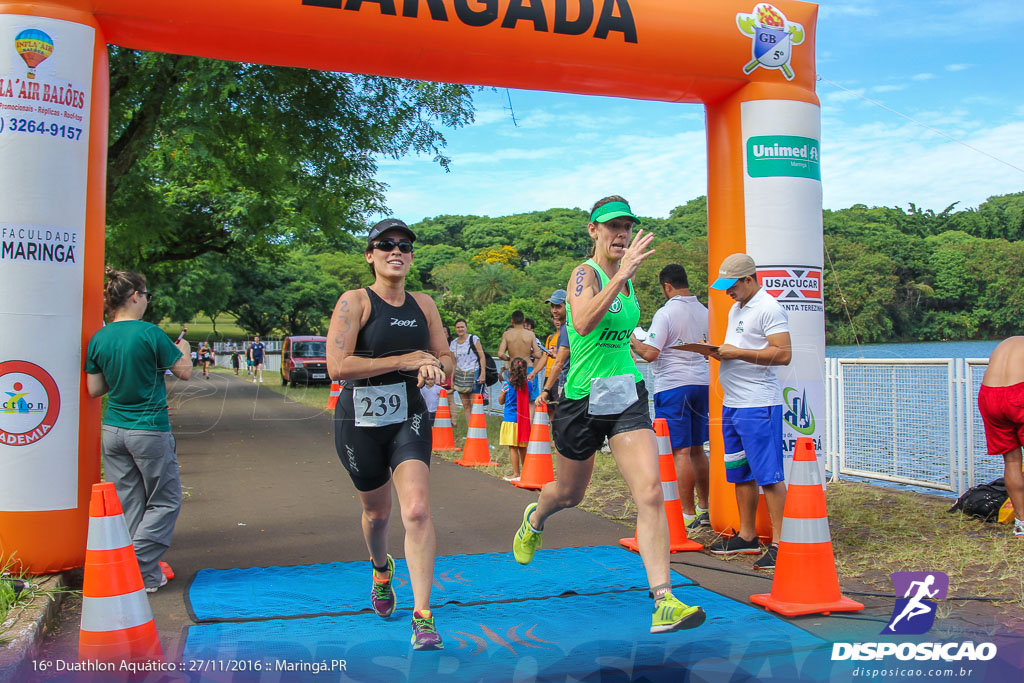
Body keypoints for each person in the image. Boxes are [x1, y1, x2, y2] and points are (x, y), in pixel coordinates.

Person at [512, 195, 705, 634]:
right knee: (568, 494)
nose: (620, 234)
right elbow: (580, 323)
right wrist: (620, 276)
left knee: (651, 492)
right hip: (580, 399)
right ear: (593, 231)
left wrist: (643, 345)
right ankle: (536, 518)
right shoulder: (586, 273)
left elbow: (624, 335)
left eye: (626, 227)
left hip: (625, 393)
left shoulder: (630, 279)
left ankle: (663, 599)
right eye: (611, 227)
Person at [327, 218, 452, 651]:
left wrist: (438, 366)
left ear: (412, 256)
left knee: (416, 510)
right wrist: (406, 359)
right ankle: (381, 570)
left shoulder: (424, 304)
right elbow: (337, 366)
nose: (396, 251)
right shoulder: (355, 301)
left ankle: (422, 615)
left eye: (404, 246)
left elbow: (445, 355)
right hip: (358, 419)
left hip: (408, 416)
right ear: (371, 255)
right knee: (378, 515)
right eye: (385, 245)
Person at [84, 267, 192, 592]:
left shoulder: (99, 338)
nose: (146, 301)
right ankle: (131, 565)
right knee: (166, 500)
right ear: (135, 296)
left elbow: (94, 388)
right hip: (149, 429)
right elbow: (184, 372)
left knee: (130, 501)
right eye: (146, 295)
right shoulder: (150, 333)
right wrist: (183, 348)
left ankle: (143, 577)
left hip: (114, 429)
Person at [706, 253, 791, 570]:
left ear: (748, 279)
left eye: (732, 286)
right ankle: (747, 535)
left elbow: (783, 354)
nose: (728, 292)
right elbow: (738, 349)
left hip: (758, 403)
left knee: (768, 475)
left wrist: (736, 352)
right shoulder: (736, 308)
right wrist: (717, 353)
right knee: (740, 471)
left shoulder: (769, 307)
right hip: (733, 403)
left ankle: (782, 543)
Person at [630, 264, 711, 529]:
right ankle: (704, 506)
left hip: (674, 386)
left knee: (680, 451)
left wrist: (634, 341)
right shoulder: (705, 311)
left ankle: (687, 513)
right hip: (702, 383)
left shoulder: (666, 313)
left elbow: (651, 353)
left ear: (667, 286)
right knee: (698, 448)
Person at [977, 336, 1024, 537]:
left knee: (1012, 461)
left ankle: (1021, 523)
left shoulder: (1007, 342)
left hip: (990, 396)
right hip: (1019, 392)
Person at [499, 311, 549, 420]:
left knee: (513, 397)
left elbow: (500, 354)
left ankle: (514, 422)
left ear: (512, 321)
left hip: (514, 369)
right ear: (524, 321)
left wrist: (510, 358)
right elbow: (538, 354)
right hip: (528, 368)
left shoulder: (507, 334)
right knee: (530, 401)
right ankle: (528, 427)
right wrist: (528, 352)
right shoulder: (530, 334)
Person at [498, 358, 538, 483]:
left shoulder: (506, 385)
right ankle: (526, 472)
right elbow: (529, 397)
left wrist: (504, 393)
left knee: (513, 448)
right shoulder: (530, 385)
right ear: (525, 370)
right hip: (523, 421)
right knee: (522, 448)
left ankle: (516, 473)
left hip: (510, 420)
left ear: (510, 370)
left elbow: (500, 401)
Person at [448, 319, 487, 425]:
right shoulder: (453, 343)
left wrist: (482, 373)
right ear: (455, 329)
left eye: (462, 327)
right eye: (458, 327)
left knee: (475, 404)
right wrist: (452, 380)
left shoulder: (473, 339)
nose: (460, 329)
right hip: (460, 374)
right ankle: (470, 430)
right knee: (466, 405)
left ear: (466, 327)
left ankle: (478, 429)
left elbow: (482, 356)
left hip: (474, 371)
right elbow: (453, 363)